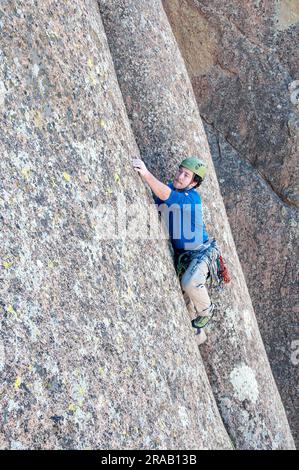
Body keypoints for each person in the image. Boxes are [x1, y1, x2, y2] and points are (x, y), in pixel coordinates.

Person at [133, 156, 223, 346]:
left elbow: (167, 196)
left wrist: (146, 173)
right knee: (185, 301)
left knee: (190, 282)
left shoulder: (191, 198)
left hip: (201, 252)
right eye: (180, 171)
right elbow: (159, 200)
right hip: (184, 257)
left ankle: (208, 311)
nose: (180, 176)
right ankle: (199, 335)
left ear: (194, 182)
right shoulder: (171, 188)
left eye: (186, 175)